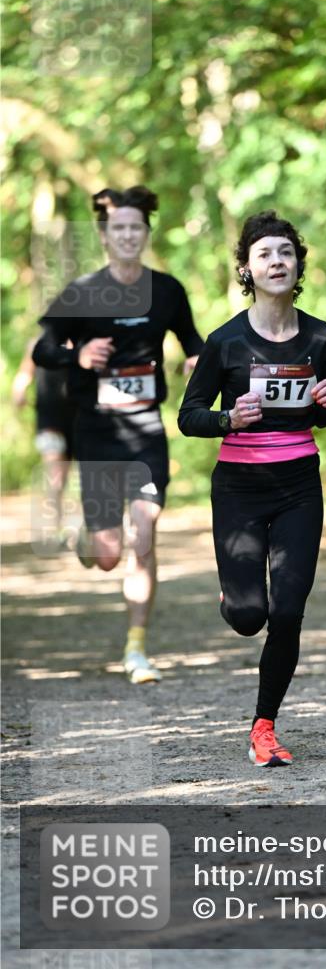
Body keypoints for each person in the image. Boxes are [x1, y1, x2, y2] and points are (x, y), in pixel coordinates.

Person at [178, 210, 326, 767]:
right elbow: (188, 416)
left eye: (287, 252)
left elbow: (321, 418)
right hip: (240, 489)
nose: (277, 261)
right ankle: (235, 593)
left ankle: (264, 726)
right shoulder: (225, 342)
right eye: (265, 254)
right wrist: (228, 419)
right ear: (247, 269)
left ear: (299, 266)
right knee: (250, 616)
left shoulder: (322, 336)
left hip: (299, 485)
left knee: (289, 611)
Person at [32, 185, 204, 684]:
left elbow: (191, 339)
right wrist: (77, 357)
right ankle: (84, 540)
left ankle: (136, 649)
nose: (128, 235)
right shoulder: (82, 292)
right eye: (119, 228)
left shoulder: (167, 290)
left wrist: (199, 361)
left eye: (137, 227)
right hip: (98, 431)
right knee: (107, 556)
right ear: (105, 237)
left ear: (146, 234)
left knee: (144, 534)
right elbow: (44, 349)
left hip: (146, 428)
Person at [12, 339, 76, 547]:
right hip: (49, 421)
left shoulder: (82, 342)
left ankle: (88, 528)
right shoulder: (36, 345)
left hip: (79, 421)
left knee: (79, 476)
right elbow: (24, 373)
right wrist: (19, 393)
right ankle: (55, 529)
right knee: (56, 477)